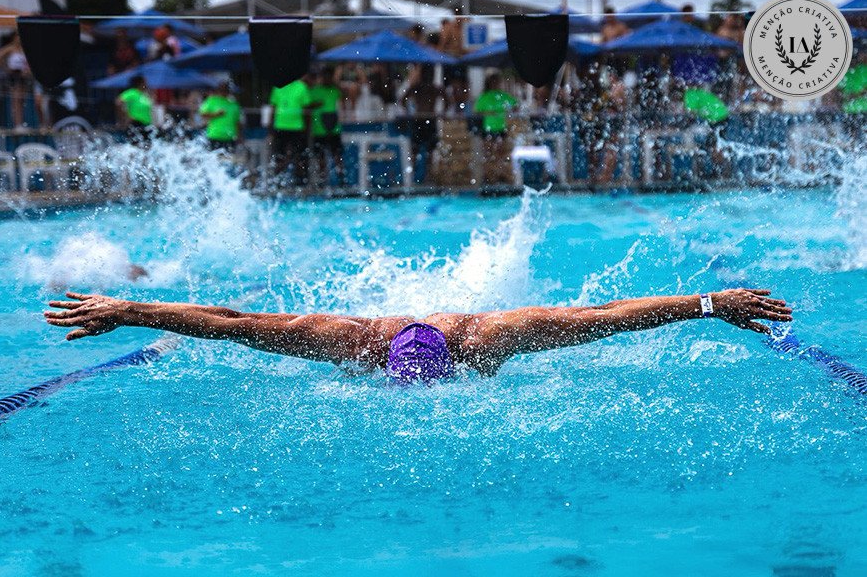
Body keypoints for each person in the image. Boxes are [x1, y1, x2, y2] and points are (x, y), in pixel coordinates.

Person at [45, 288, 792, 382]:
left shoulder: (494, 336)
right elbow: (234, 325)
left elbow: (600, 320)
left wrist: (707, 302)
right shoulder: (343, 337)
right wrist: (132, 310)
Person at [268, 78, 312, 185]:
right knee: (279, 157)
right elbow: (273, 109)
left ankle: (301, 183)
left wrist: (307, 129)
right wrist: (270, 130)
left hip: (297, 128)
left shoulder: (302, 87)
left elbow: (306, 110)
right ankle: (277, 183)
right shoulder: (277, 86)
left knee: (300, 157)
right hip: (280, 127)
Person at [309, 67, 344, 179]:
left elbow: (345, 97)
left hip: (334, 128)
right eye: (325, 76)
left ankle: (341, 178)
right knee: (321, 157)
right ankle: (322, 180)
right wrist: (315, 105)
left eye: (329, 77)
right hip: (319, 129)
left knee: (337, 155)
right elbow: (306, 106)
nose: (327, 79)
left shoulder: (335, 90)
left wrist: (336, 81)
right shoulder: (314, 90)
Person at [0, 33, 31, 129]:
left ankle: (21, 123)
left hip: (22, 75)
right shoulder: (11, 48)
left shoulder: (23, 49)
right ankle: (17, 124)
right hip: (14, 75)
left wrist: (27, 71)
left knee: (21, 100)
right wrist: (6, 68)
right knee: (16, 100)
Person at [199, 81, 242, 151]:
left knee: (228, 160)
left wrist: (239, 136)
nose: (223, 91)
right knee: (213, 160)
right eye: (222, 89)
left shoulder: (234, 105)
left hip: (230, 137)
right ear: (218, 90)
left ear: (228, 91)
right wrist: (216, 114)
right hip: (215, 135)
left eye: (225, 89)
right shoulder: (211, 101)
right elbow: (202, 114)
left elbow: (237, 123)